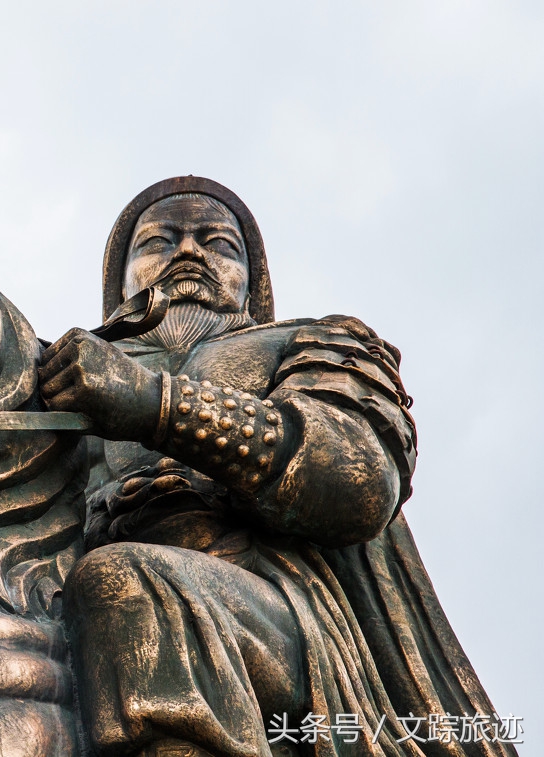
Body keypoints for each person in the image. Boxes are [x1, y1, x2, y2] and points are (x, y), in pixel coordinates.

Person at [39, 176, 515, 757]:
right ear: (121, 280)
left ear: (252, 281)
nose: (187, 253)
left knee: (129, 584)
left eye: (217, 244)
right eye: (158, 243)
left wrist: (156, 404)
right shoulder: (60, 379)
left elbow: (354, 475)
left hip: (277, 610)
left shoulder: (309, 342)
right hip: (66, 602)